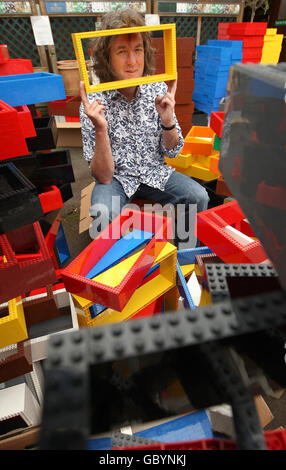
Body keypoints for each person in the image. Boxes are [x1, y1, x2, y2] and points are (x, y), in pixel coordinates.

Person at [80, 7, 209, 244]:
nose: (132, 61)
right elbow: (103, 177)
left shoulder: (158, 89)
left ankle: (178, 253)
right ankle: (119, 269)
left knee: (197, 196)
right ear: (107, 58)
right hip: (117, 179)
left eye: (137, 50)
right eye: (122, 52)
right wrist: (100, 128)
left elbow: (173, 151)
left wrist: (168, 120)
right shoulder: (95, 102)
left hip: (154, 172)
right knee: (102, 213)